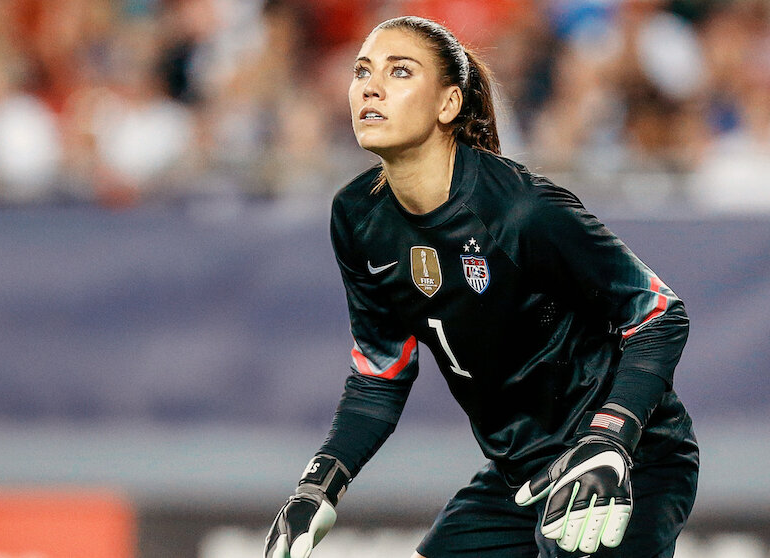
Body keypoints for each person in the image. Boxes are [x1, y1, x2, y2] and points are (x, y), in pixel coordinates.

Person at [264, 15, 698, 558]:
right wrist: (318, 485)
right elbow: (380, 376)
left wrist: (611, 438)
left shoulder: (520, 210)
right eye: (362, 71)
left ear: (448, 104)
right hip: (520, 472)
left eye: (400, 71)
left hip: (628, 458)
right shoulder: (357, 216)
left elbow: (660, 315)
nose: (370, 87)